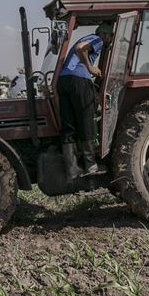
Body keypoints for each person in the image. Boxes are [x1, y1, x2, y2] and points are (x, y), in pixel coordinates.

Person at [58, 22, 114, 179]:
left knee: (68, 125)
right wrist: (90, 68)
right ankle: (90, 165)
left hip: (63, 80)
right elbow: (80, 48)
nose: (110, 40)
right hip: (78, 80)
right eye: (111, 36)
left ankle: (72, 169)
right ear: (105, 35)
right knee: (86, 121)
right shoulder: (97, 39)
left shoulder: (86, 37)